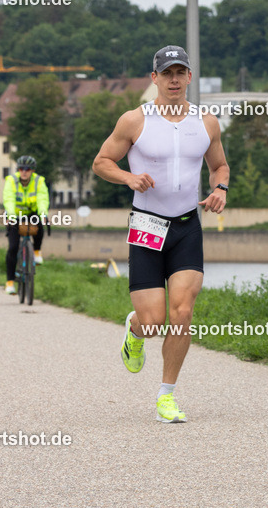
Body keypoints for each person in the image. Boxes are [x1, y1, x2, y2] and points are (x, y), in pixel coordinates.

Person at [92, 45, 229, 424]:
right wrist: (128, 177)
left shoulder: (206, 122)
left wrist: (220, 190)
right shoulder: (134, 121)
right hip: (147, 226)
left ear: (189, 78)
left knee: (182, 312)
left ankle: (166, 396)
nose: (173, 79)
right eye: (166, 73)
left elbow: (219, 166)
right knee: (152, 321)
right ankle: (135, 331)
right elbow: (101, 162)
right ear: (154, 78)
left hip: (186, 226)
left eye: (180, 72)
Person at [3, 155, 49, 295]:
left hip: (31, 213)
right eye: (21, 169)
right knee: (12, 248)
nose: (24, 171)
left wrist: (43, 214)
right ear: (18, 170)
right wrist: (11, 216)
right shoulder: (11, 180)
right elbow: (9, 199)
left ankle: (36, 251)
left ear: (32, 171)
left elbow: (42, 199)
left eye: (27, 169)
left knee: (40, 221)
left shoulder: (39, 181)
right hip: (15, 215)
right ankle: (10, 282)